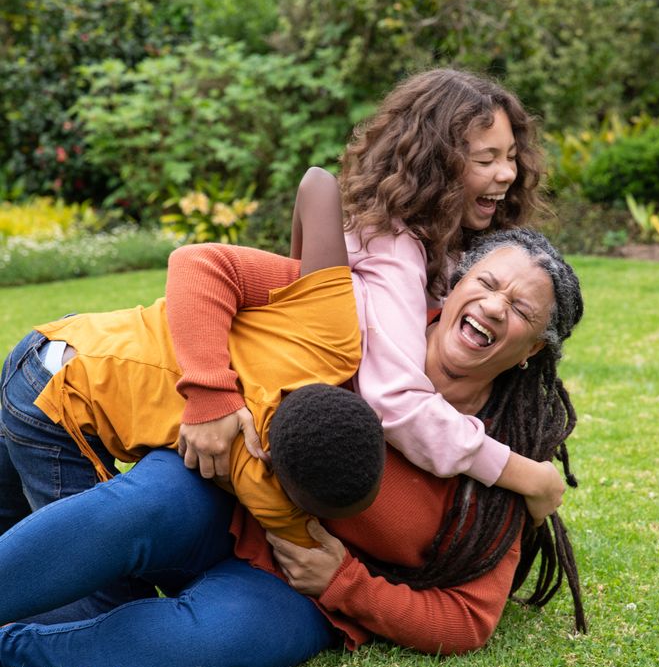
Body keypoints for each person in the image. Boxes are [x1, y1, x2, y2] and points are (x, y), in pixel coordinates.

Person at [0, 229, 585, 667]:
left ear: (534, 350)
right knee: (140, 508)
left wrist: (345, 583)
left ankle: (13, 646)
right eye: (486, 282)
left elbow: (467, 619)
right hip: (221, 492)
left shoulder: (507, 462)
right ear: (454, 284)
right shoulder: (367, 317)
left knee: (220, 645)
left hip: (299, 585)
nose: (494, 306)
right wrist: (213, 393)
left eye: (521, 310)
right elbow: (206, 267)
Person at [170, 69, 565, 523]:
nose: (507, 174)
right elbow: (396, 401)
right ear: (437, 164)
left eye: (512, 156)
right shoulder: (393, 247)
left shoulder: (455, 249)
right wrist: (527, 476)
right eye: (486, 160)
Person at [0, 244, 384, 546]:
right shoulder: (261, 482)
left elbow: (317, 181)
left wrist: (292, 275)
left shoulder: (333, 340)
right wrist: (211, 394)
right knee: (78, 567)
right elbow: (305, 555)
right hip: (55, 404)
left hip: (71, 340)